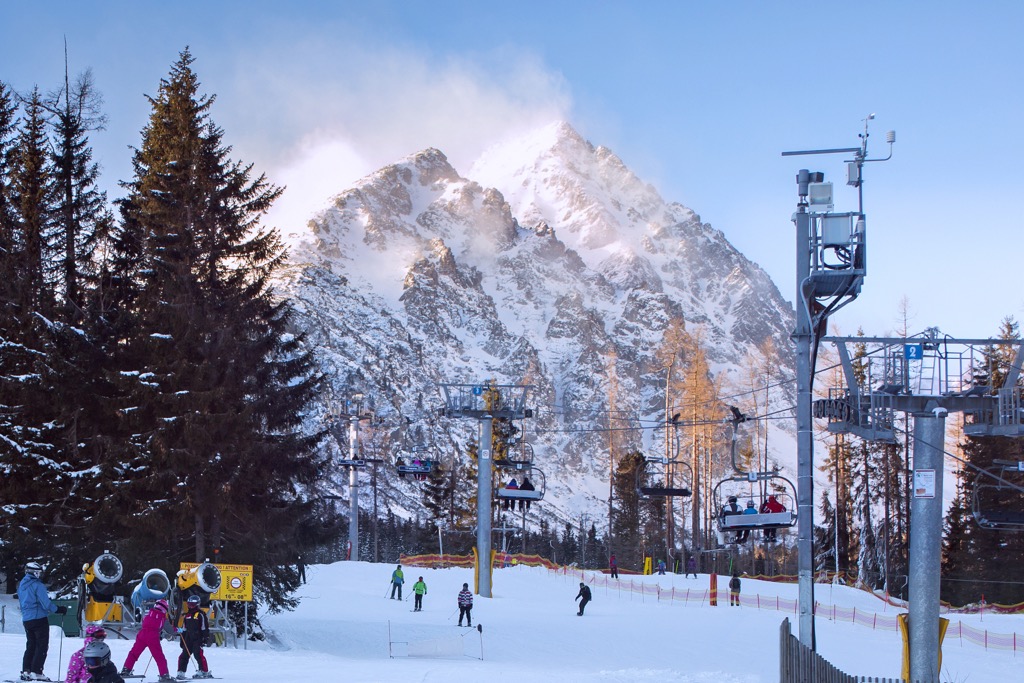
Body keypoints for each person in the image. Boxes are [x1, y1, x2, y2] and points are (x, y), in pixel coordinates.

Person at [19, 560, 68, 682]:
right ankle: (37, 671)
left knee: (31, 645)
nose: (40, 575)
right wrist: (58, 609)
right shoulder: (37, 585)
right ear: (34, 573)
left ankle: (27, 670)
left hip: (27, 619)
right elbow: (46, 604)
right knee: (41, 645)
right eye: (38, 573)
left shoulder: (21, 585)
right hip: (39, 619)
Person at [120, 598, 173, 681]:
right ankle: (164, 675)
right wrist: (177, 630)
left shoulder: (149, 613)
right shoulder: (162, 617)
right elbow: (170, 630)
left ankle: (126, 669)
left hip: (142, 634)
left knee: (134, 653)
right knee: (159, 657)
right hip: (152, 636)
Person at [176, 595, 212, 679]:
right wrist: (182, 640)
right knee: (184, 655)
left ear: (197, 604)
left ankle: (204, 671)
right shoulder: (187, 615)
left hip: (198, 637)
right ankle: (181, 672)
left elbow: (204, 627)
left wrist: (205, 638)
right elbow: (184, 628)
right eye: (189, 604)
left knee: (198, 654)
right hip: (188, 638)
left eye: (192, 604)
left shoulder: (200, 614)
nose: (190, 606)